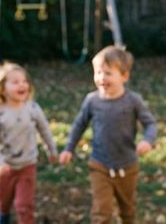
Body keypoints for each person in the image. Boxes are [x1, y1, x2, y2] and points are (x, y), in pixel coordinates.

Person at [59, 45, 157, 224]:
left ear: (124, 76)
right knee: (101, 211)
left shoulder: (133, 100)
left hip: (127, 165)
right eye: (98, 72)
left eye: (108, 73)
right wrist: (68, 148)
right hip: (100, 164)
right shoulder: (92, 100)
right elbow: (79, 125)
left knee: (127, 211)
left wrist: (147, 140)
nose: (101, 78)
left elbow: (150, 123)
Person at [0, 62, 58, 224]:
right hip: (4, 167)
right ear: (3, 88)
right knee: (4, 200)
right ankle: (3, 216)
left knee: (24, 204)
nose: (22, 85)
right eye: (15, 82)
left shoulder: (32, 108)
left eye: (24, 81)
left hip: (27, 165)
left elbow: (44, 130)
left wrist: (52, 150)